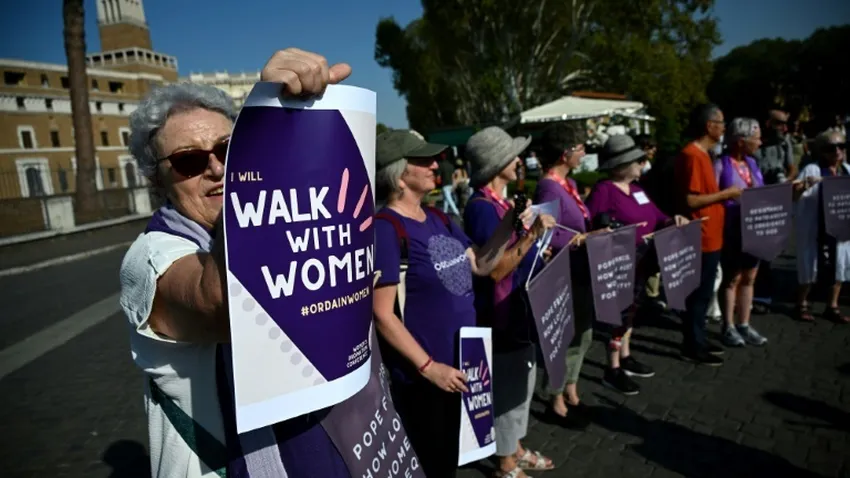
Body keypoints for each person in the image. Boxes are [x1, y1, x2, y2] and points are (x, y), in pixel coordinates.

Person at [120, 48, 354, 478]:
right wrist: (266, 138)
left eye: (230, 149)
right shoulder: (149, 257)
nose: (217, 167)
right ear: (157, 179)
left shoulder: (290, 225)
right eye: (190, 160)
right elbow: (227, 303)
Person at [371, 130, 513, 477]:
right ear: (399, 175)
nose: (436, 165)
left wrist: (511, 224)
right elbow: (382, 313)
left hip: (465, 363)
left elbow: (481, 264)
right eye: (424, 160)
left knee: (450, 457)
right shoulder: (386, 229)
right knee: (432, 463)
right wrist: (429, 367)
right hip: (426, 377)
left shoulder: (439, 217)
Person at [464, 126, 556, 478]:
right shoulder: (482, 209)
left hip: (520, 308)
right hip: (501, 315)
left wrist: (536, 244)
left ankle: (514, 447)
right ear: (496, 163)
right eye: (513, 156)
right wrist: (533, 236)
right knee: (507, 387)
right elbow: (496, 270)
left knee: (522, 382)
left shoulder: (500, 203)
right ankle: (505, 463)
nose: (520, 161)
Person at [587, 135, 689, 394]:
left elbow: (657, 216)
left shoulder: (637, 190)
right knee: (617, 315)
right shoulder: (604, 190)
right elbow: (592, 225)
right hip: (618, 264)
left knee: (631, 311)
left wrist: (672, 220)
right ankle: (612, 367)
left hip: (641, 262)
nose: (643, 164)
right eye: (638, 160)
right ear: (622, 165)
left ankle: (625, 355)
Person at [534, 121, 594, 428]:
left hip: (579, 268)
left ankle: (571, 390)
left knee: (584, 333)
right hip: (563, 272)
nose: (584, 153)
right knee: (566, 336)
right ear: (564, 153)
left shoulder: (567, 184)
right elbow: (546, 234)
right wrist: (581, 239)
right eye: (580, 148)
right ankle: (555, 399)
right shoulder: (548, 187)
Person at [674, 104, 741, 366]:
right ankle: (693, 344)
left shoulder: (704, 155)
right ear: (709, 126)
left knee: (704, 293)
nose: (724, 128)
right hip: (700, 235)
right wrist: (726, 194)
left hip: (711, 234)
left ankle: (698, 338)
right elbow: (691, 200)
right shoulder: (693, 155)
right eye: (721, 122)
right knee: (698, 294)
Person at [714, 118, 769, 347]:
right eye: (756, 138)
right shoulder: (720, 165)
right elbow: (712, 197)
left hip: (753, 228)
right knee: (732, 278)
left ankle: (744, 324)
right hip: (732, 230)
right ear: (740, 141)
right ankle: (728, 326)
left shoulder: (752, 163)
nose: (760, 143)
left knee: (749, 277)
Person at [793, 130, 850, 323]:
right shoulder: (812, 170)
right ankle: (801, 303)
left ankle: (832, 306)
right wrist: (803, 187)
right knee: (811, 265)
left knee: (840, 264)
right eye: (831, 148)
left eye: (841, 146)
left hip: (840, 225)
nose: (837, 151)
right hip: (815, 226)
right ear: (822, 150)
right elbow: (794, 196)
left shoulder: (847, 170)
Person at [752, 109, 796, 313]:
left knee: (769, 251)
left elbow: (792, 167)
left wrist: (785, 181)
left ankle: (763, 295)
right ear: (768, 123)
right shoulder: (754, 141)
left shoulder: (784, 142)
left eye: (786, 124)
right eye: (780, 123)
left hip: (774, 199)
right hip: (753, 199)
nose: (784, 128)